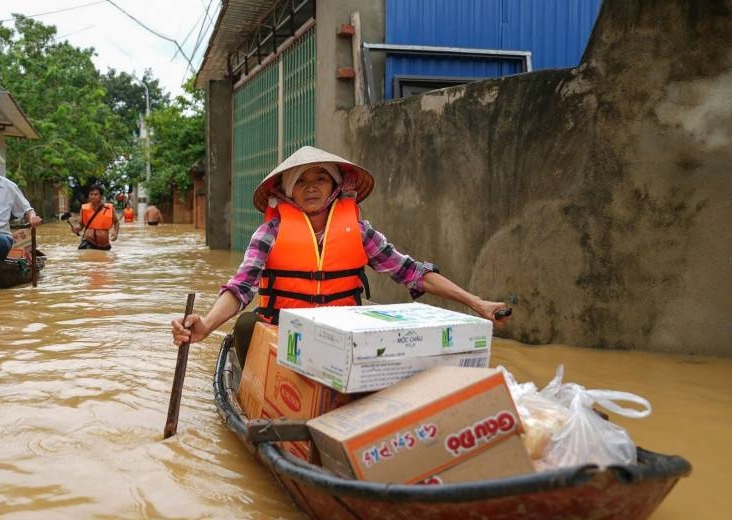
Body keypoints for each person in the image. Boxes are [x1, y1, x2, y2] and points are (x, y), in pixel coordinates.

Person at [171, 145, 509, 363]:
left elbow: (413, 273)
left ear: (335, 188)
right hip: (285, 335)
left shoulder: (360, 232)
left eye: (321, 179)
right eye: (302, 181)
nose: (312, 186)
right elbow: (241, 288)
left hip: (343, 336)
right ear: (288, 192)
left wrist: (476, 303)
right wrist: (207, 323)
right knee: (247, 326)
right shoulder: (269, 233)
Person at [69, 183, 120, 250]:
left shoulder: (109, 208)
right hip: (88, 242)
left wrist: (115, 233)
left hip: (104, 245)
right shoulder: (84, 208)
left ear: (101, 196)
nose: (93, 196)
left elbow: (116, 222)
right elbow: (81, 224)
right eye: (91, 194)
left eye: (96, 194)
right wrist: (77, 228)